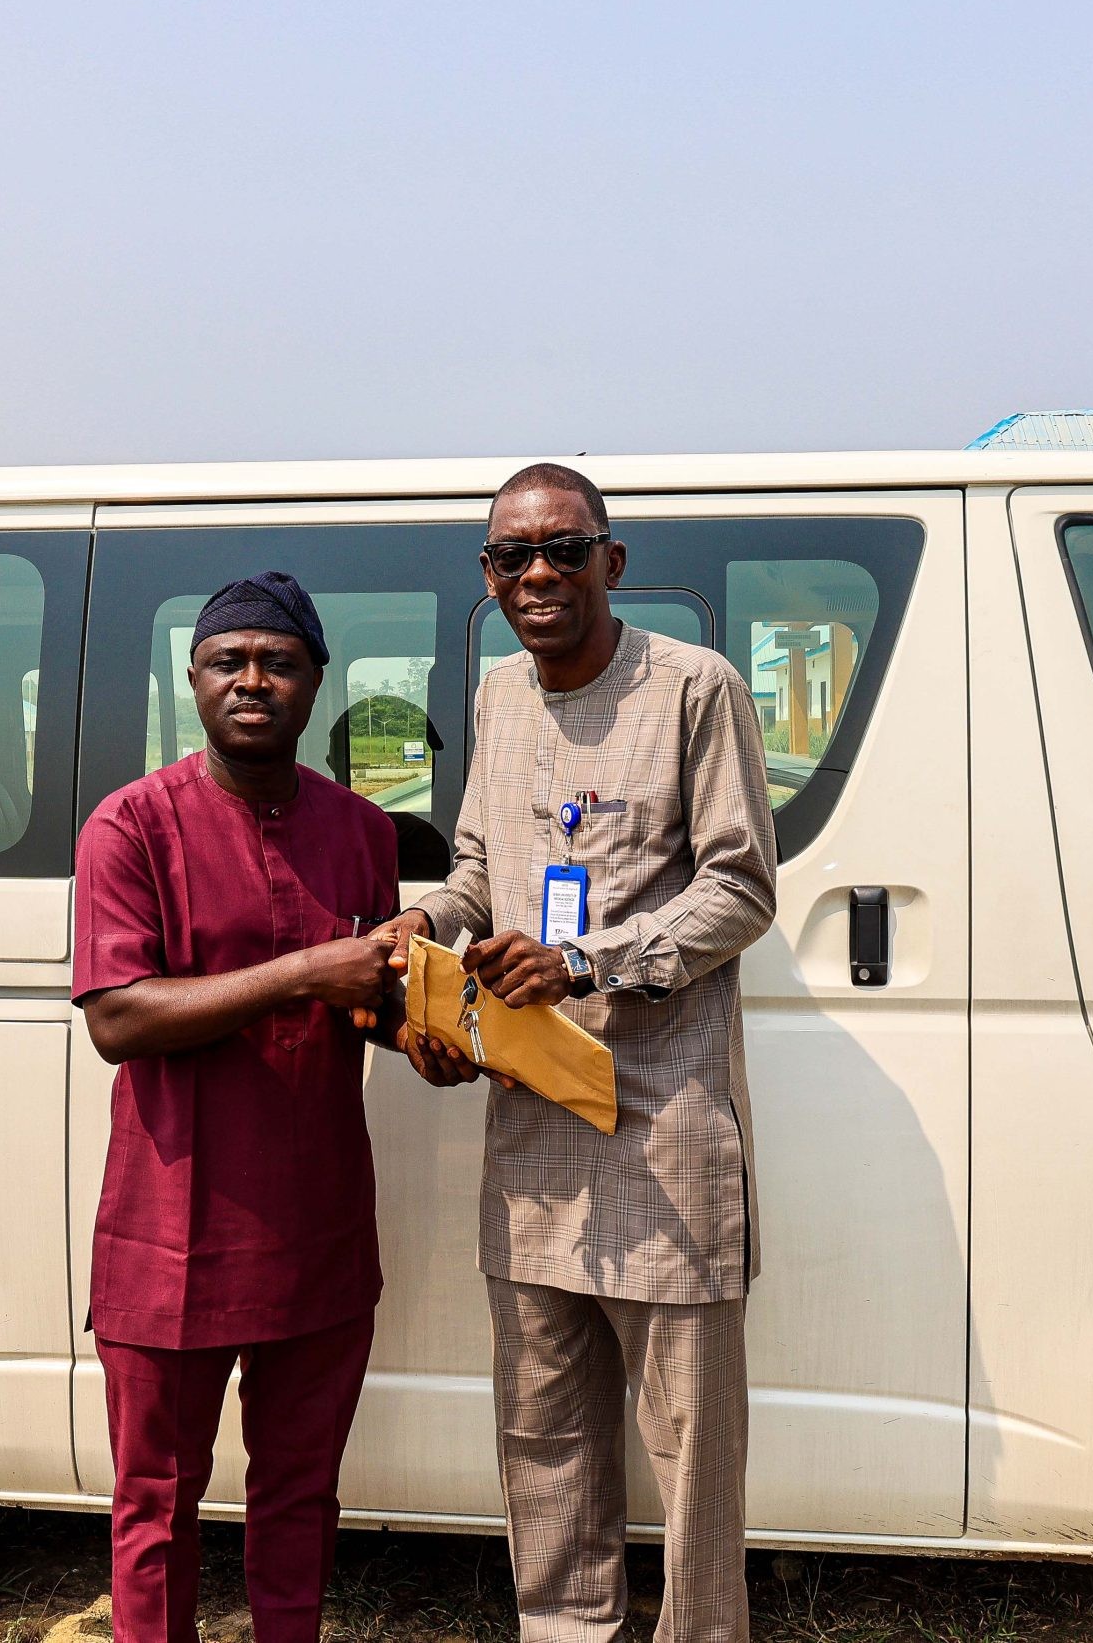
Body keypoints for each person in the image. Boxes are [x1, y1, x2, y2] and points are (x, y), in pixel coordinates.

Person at [385, 463, 780, 1643]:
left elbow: (743, 888)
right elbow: (475, 865)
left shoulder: (692, 688)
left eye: (564, 550)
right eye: (513, 557)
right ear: (489, 579)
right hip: (533, 1129)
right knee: (544, 1438)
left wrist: (589, 962)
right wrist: (429, 925)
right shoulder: (501, 697)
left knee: (694, 1454)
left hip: (664, 1128)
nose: (539, 575)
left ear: (612, 561)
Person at [73, 570, 401, 1643]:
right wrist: (307, 970)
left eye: (279, 663)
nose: (252, 681)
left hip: (318, 1232)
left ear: (315, 685)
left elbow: (369, 999)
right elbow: (118, 1018)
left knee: (300, 1498)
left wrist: (428, 1037)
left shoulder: (362, 833)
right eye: (229, 662)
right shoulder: (129, 826)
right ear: (193, 679)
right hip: (172, 1234)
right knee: (155, 1503)